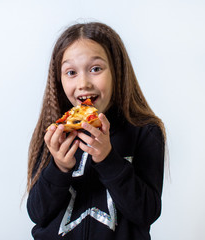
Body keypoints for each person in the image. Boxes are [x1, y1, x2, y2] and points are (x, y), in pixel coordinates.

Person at [25, 21, 166, 240]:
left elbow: (147, 212)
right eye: (71, 72)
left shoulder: (144, 130)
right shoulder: (54, 134)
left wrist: (108, 159)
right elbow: (37, 213)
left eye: (96, 69)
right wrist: (59, 167)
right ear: (58, 79)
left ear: (117, 72)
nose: (83, 83)